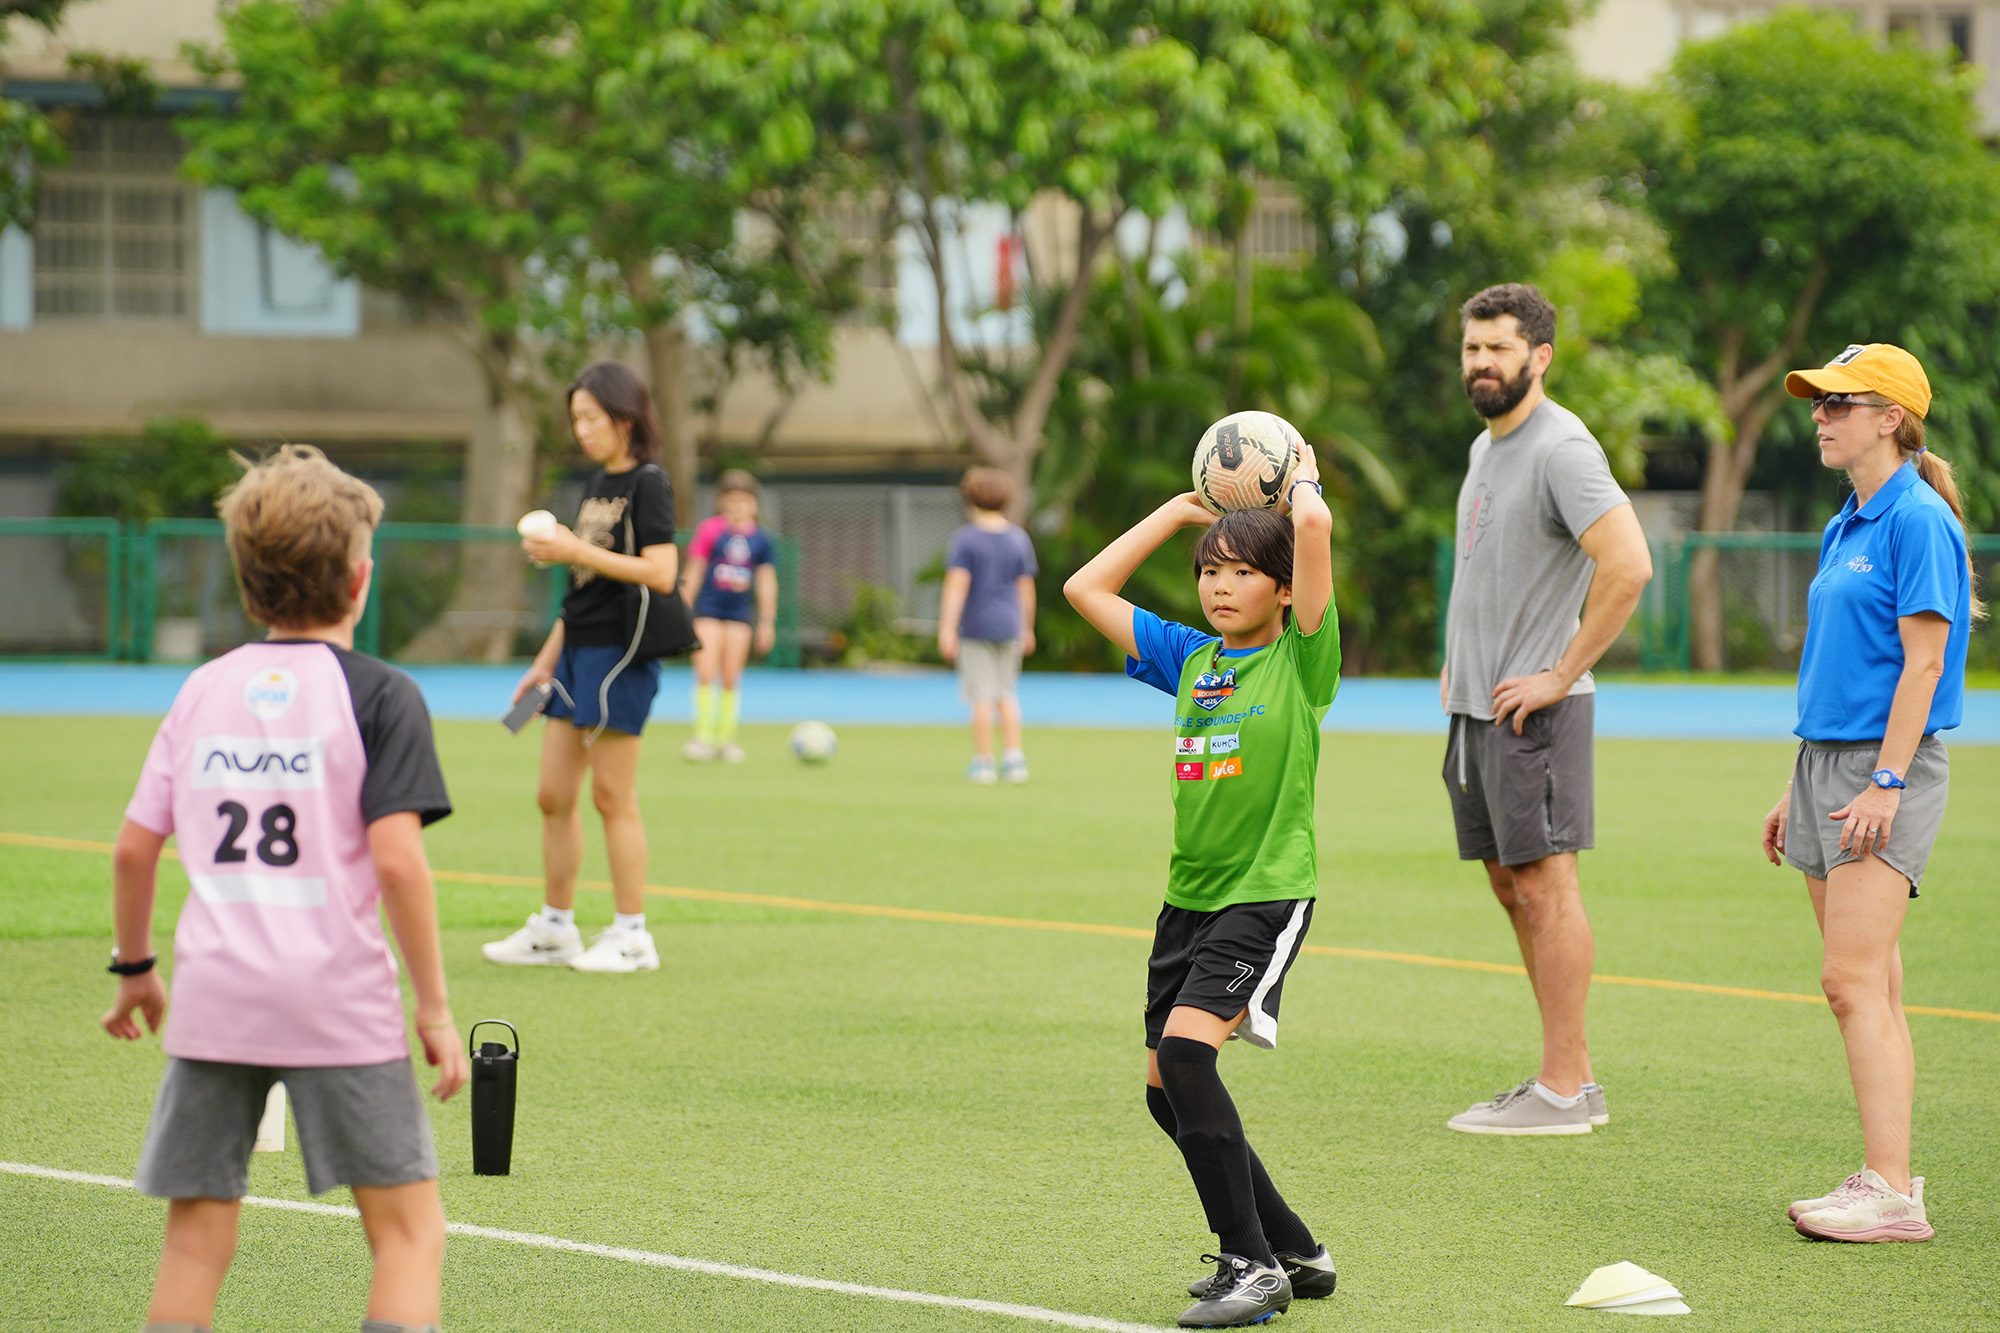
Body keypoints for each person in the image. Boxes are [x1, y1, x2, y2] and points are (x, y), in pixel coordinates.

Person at [102, 444, 465, 1333]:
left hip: (215, 997)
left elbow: (134, 849)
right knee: (409, 1235)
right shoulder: (384, 696)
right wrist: (434, 1008)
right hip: (338, 999)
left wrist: (136, 968)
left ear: (247, 583)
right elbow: (397, 862)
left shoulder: (203, 688)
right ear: (360, 579)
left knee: (195, 1243)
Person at [1064, 453, 1340, 1329]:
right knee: (1164, 1088)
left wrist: (1299, 479)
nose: (1221, 586)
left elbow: (1315, 528)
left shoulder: (1301, 659)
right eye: (1210, 571)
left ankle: (1252, 1265)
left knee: (1188, 1059)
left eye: (1244, 572)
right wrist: (1177, 514)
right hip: (1187, 897)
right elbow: (1083, 589)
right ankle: (1297, 1249)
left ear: (1285, 591)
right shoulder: (1192, 658)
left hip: (1265, 891)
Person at [1761, 343, 1978, 1243]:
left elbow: (1923, 665)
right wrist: (1795, 783)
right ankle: (1888, 1178)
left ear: (1892, 417)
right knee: (1873, 980)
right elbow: (1837, 662)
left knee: (1848, 980)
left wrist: (1886, 781)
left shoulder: (1918, 519)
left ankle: (1891, 1191)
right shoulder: (1844, 520)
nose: (1819, 415)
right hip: (1826, 766)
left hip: (1884, 768)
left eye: (1838, 402)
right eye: (1818, 402)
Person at [1440, 283, 1653, 1136]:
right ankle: (1575, 1077)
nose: (1482, 362)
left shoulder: (1562, 447)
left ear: (1541, 356)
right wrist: (1459, 665)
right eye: (1472, 347)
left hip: (1535, 711)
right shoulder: (1485, 446)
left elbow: (1628, 564)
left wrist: (1561, 674)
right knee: (1509, 884)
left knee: (1545, 884)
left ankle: (1560, 1090)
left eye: (1498, 347)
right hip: (1477, 707)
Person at [483, 361, 678, 974]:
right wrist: (544, 664)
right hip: (576, 652)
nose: (582, 430)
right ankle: (555, 928)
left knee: (612, 796)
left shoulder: (649, 482)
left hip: (621, 654)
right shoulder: (597, 485)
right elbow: (581, 592)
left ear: (626, 417)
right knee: (553, 795)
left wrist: (572, 547)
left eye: (592, 418)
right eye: (576, 419)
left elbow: (662, 572)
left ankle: (631, 936)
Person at [937, 467, 1038, 784]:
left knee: (981, 695)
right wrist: (1027, 627)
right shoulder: (1018, 538)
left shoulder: (966, 539)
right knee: (1006, 693)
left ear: (969, 499)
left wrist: (947, 628)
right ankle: (1014, 758)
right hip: (1009, 626)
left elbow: (957, 586)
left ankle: (983, 762)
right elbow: (1026, 588)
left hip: (977, 627)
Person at [681, 469, 778, 763]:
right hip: (708, 610)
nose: (738, 506)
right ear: (721, 502)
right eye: (732, 500)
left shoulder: (761, 539)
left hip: (739, 614)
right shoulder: (710, 531)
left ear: (755, 504)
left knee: (731, 676)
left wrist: (767, 621)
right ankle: (702, 736)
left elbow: (766, 581)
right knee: (705, 671)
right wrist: (681, 608)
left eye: (744, 500)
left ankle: (726, 739)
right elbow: (695, 570)